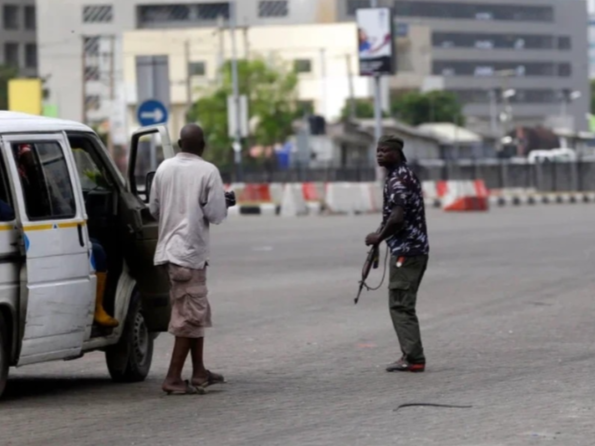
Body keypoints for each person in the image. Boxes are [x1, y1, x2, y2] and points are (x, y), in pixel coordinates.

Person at [149, 124, 234, 395]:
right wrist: (225, 201)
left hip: (168, 252)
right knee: (189, 317)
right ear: (203, 145)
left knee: (194, 312)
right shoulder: (208, 171)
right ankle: (173, 378)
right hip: (189, 253)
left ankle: (199, 372)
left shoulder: (163, 169)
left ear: (178, 143)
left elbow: (153, 209)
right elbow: (216, 215)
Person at [365, 135, 430, 373]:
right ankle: (410, 355)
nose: (380, 155)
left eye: (385, 151)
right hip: (412, 248)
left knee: (401, 304)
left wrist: (378, 237)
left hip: (408, 250)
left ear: (397, 153)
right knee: (402, 302)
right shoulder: (403, 174)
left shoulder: (398, 180)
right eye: (378, 151)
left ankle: (413, 358)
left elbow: (397, 217)